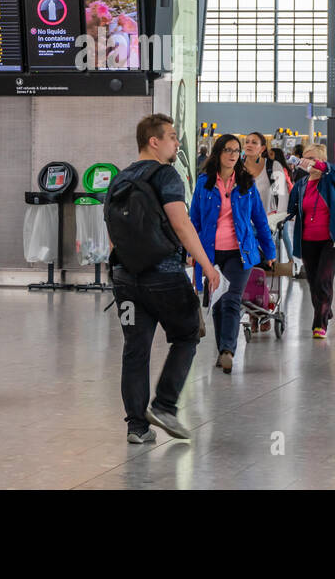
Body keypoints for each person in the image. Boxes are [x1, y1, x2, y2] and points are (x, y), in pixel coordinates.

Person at [109, 114, 220, 443]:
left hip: (125, 278)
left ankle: (136, 427)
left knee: (135, 348)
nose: (176, 142)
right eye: (172, 136)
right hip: (164, 275)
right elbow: (182, 224)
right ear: (153, 141)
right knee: (188, 334)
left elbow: (113, 232)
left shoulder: (119, 178)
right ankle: (165, 405)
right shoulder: (166, 174)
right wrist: (207, 266)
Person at [189, 134, 277, 373]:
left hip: (241, 254)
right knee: (217, 303)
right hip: (211, 254)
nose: (232, 154)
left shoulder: (246, 183)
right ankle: (222, 351)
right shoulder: (203, 183)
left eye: (236, 151)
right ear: (217, 153)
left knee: (231, 299)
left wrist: (269, 251)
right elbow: (193, 220)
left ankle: (228, 350)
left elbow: (259, 219)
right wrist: (190, 252)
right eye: (227, 150)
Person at [286, 143, 335, 338]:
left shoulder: (331, 180)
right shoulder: (300, 185)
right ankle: (325, 308)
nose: (307, 162)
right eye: (305, 157)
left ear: (321, 161)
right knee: (313, 283)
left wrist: (319, 165)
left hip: (333, 240)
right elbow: (291, 210)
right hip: (308, 241)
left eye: (312, 158)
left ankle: (319, 325)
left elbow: (334, 171)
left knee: (323, 280)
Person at [241, 131, 283, 214]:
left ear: (262, 148)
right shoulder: (237, 168)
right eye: (247, 142)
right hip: (243, 221)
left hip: (267, 220)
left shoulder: (273, 167)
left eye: (254, 143)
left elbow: (282, 195)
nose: (249, 145)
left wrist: (279, 213)